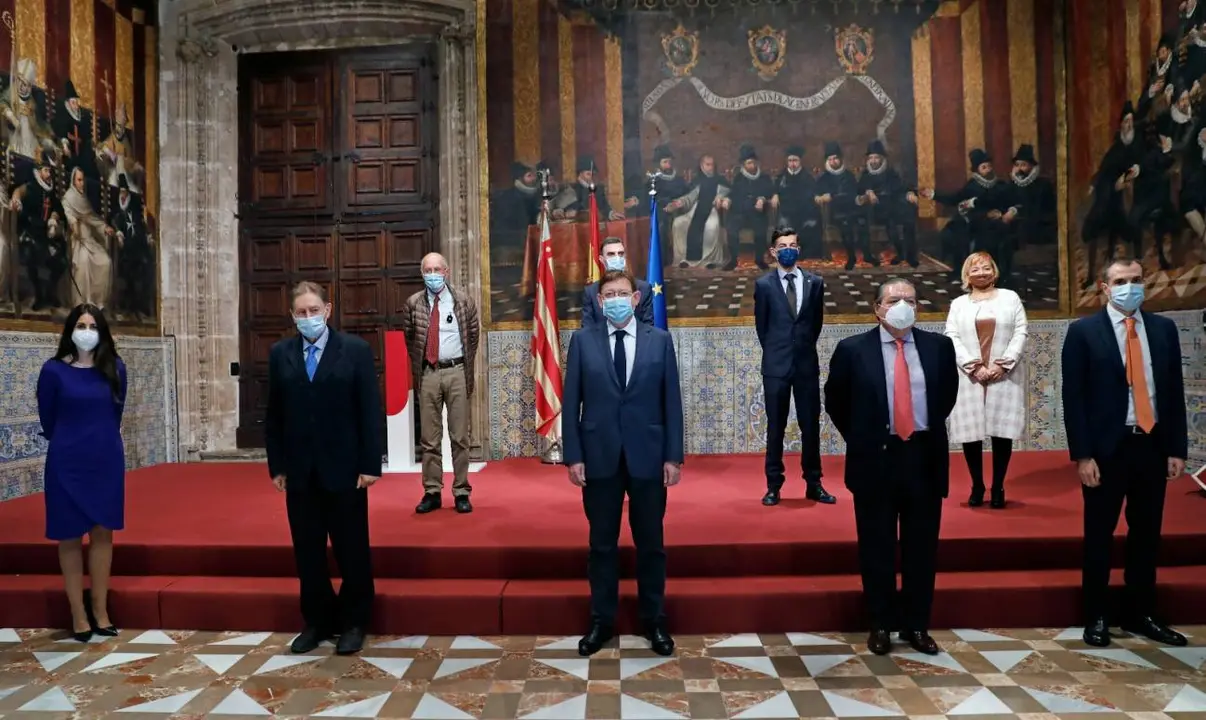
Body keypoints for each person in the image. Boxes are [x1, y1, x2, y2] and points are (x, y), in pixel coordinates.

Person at [824, 279, 958, 656]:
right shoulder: (852, 349)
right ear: (878, 307)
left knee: (921, 548)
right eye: (895, 300)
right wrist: (865, 437)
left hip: (923, 459)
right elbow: (836, 401)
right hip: (875, 460)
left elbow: (945, 396)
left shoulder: (939, 347)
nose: (903, 306)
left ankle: (917, 625)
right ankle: (881, 623)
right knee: (877, 547)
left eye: (910, 300)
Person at [1061, 258, 1188, 649]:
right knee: (1099, 534)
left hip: (1151, 443)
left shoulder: (1164, 330)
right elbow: (1074, 398)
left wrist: (1176, 448)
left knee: (1147, 534)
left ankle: (1141, 613)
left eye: (1135, 280)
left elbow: (1173, 392)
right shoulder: (1083, 332)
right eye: (1120, 281)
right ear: (1104, 286)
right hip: (1106, 449)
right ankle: (1097, 615)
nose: (1129, 287)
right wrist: (1083, 456)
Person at [562, 269, 684, 658]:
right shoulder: (582, 342)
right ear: (599, 302)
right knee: (601, 545)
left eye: (622, 293)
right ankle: (602, 621)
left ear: (636, 299)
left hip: (648, 455)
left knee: (651, 543)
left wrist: (673, 456)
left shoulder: (660, 341)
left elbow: (672, 403)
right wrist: (574, 456)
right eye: (608, 294)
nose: (615, 299)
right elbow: (571, 404)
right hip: (599, 456)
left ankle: (654, 620)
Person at [265, 281, 382, 656]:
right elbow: (274, 415)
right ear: (292, 316)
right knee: (308, 552)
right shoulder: (280, 353)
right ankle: (317, 620)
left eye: (314, 310)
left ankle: (353, 621)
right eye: (301, 312)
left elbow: (369, 410)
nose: (308, 317)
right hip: (300, 471)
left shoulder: (355, 351)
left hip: (346, 469)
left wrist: (370, 462)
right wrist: (277, 465)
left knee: (351, 549)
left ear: (328, 310)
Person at [36, 303, 127, 642]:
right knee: (70, 536)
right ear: (70, 330)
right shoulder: (53, 371)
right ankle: (78, 614)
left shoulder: (115, 368)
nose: (86, 331)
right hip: (66, 461)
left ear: (102, 332)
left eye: (93, 325)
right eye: (81, 324)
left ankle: (101, 610)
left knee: (103, 535)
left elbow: (116, 413)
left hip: (105, 460)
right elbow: (48, 418)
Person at [753, 227, 835, 507]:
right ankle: (773, 486)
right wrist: (778, 352)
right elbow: (762, 327)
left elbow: (816, 324)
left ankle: (814, 483)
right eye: (782, 245)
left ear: (799, 249)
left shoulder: (815, 282)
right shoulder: (763, 285)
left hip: (805, 366)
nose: (788, 249)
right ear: (773, 252)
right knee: (775, 427)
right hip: (775, 367)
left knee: (810, 426)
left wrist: (800, 349)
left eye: (792, 244)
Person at [944, 252, 1028, 509]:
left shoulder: (1010, 298)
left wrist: (1003, 364)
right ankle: (977, 485)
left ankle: (998, 486)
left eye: (986, 268)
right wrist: (973, 366)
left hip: (1004, 374)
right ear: (966, 275)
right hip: (970, 376)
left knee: (1002, 434)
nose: (981, 272)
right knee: (972, 435)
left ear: (994, 271)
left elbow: (1021, 330)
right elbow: (952, 335)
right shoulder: (959, 303)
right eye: (975, 269)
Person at [402, 253, 481, 514]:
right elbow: (410, 338)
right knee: (429, 438)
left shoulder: (463, 301)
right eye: (428, 269)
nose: (432, 274)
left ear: (446, 272)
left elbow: (473, 334)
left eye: (437, 269)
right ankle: (432, 491)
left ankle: (461, 491)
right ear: (422, 273)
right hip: (428, 373)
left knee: (460, 436)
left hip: (457, 370)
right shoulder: (413, 303)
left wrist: (461, 363)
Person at [582, 237, 653, 327]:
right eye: (611, 254)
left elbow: (648, 328)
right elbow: (587, 329)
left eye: (621, 254)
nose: (617, 258)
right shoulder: (591, 292)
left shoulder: (643, 288)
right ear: (602, 259)